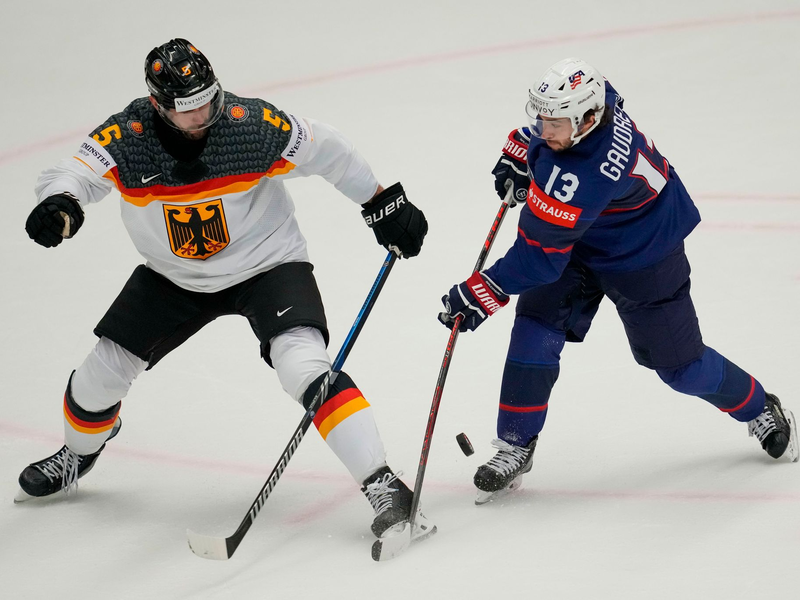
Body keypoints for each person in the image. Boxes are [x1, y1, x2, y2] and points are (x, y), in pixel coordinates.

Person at [18, 38, 431, 541]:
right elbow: (72, 172)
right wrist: (60, 201)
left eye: (208, 100)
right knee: (99, 376)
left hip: (267, 264)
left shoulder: (251, 125)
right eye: (188, 109)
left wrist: (381, 201)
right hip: (174, 278)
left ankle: (383, 483)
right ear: (158, 106)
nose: (203, 116)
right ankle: (78, 454)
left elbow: (330, 150)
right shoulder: (126, 136)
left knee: (303, 366)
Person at [438, 57, 798, 505]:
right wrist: (522, 149)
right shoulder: (594, 102)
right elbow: (550, 139)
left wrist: (482, 291)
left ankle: (758, 404)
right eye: (542, 119)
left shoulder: (586, 173)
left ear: (587, 120)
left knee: (681, 368)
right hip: (580, 238)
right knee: (536, 329)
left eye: (554, 124)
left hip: (643, 252)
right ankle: (516, 441)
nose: (544, 129)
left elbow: (539, 260)